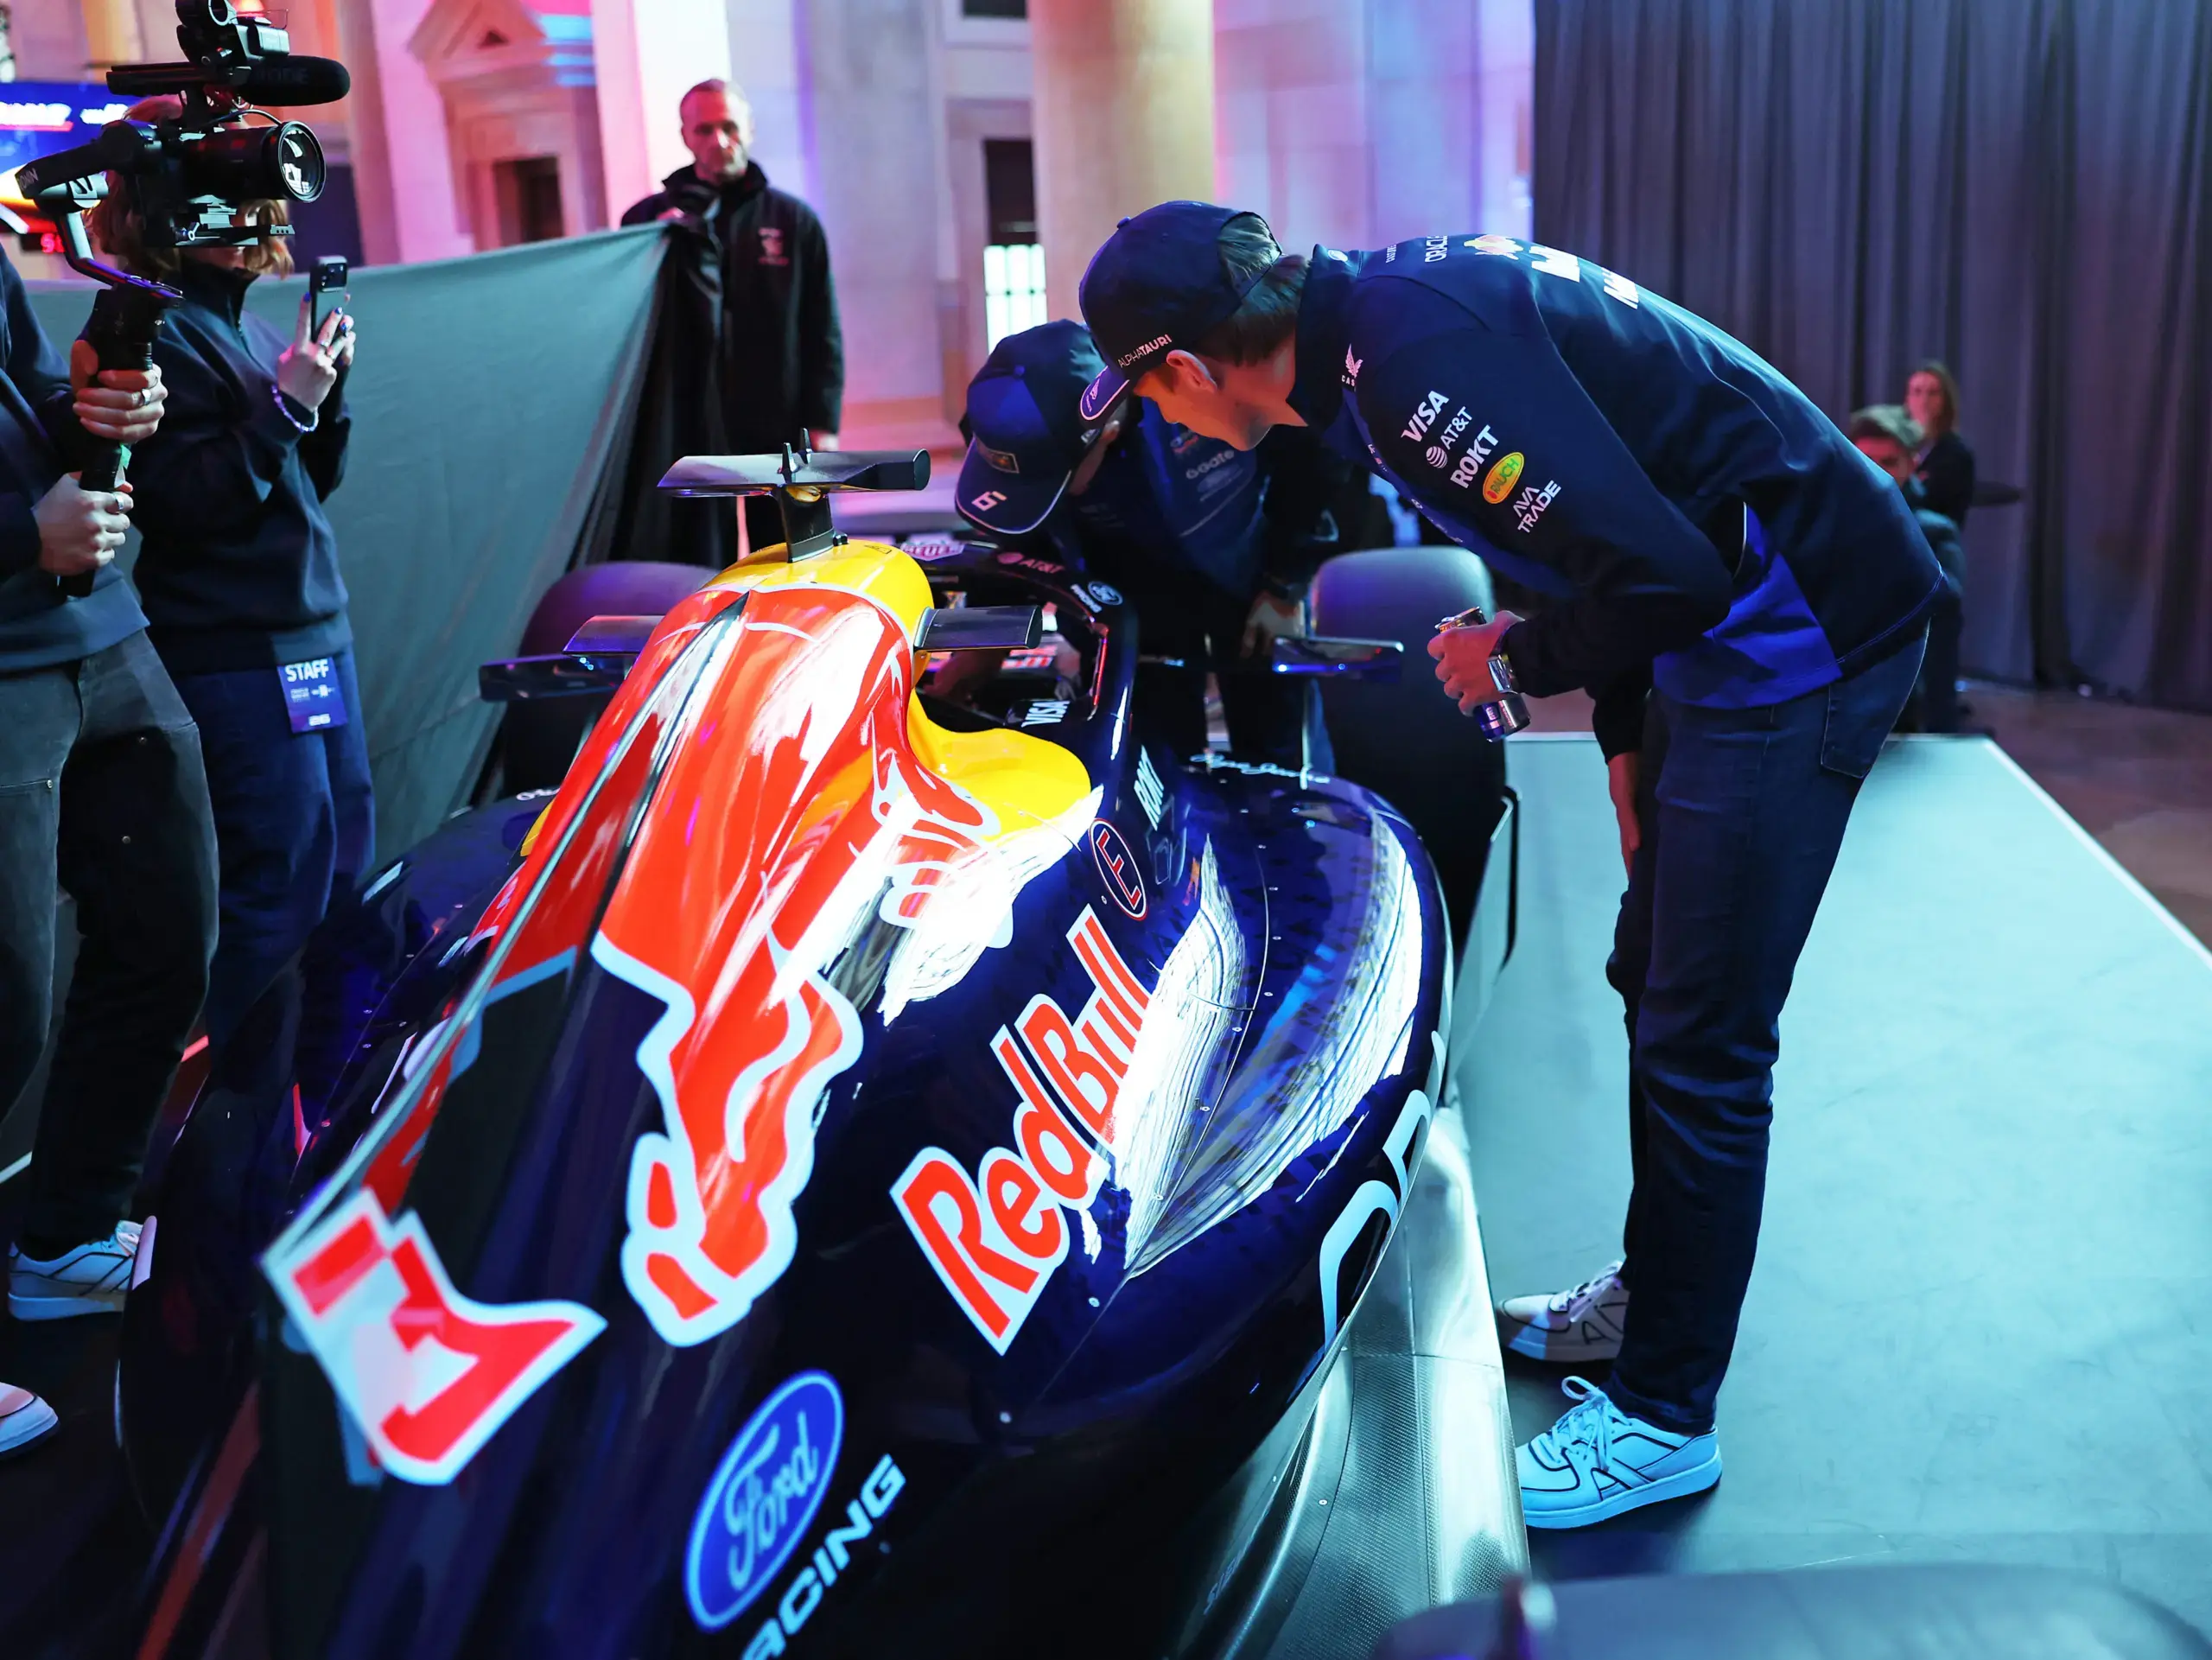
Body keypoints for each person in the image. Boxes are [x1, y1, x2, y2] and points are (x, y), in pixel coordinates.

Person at [1077, 203, 1942, 1529]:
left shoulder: (1410, 370)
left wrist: (1512, 660)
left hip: (1803, 633)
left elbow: (1670, 576)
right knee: (1654, 975)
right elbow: (1619, 520)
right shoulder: (1378, 338)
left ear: (1187, 368)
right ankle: (1660, 1294)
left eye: (1144, 396)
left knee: (1705, 1033)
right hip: (1720, 634)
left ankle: (1664, 1418)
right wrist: (1623, 737)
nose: (1160, 422)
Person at [86, 99, 365, 1054]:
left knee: (339, 881)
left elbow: (305, 485)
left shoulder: (239, 323)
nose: (253, 209)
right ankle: (240, 1133)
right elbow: (188, 507)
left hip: (314, 639)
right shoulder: (148, 334)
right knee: (275, 900)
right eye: (228, 184)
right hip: (238, 658)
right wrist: (286, 408)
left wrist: (320, 399)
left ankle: (322, 1112)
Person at [0, 233, 209, 1447]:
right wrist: (17, 535)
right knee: (4, 1006)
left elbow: (28, 391)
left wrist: (92, 408)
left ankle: (67, 1236)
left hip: (97, 632)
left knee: (167, 934)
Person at [954, 320, 1344, 767]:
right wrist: (984, 639)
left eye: (1051, 482)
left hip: (1247, 573)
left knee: (1277, 754)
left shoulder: (1195, 380)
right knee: (1142, 761)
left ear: (1107, 432)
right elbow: (1015, 532)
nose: (1042, 495)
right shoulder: (1001, 423)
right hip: (1124, 598)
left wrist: (1283, 584)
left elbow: (1313, 462)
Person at [621, 79, 843, 557]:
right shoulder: (647, 223)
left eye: (729, 127)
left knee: (784, 555)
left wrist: (823, 420)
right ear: (685, 136)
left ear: (749, 130)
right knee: (697, 555)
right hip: (688, 419)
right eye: (704, 130)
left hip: (777, 416)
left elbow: (821, 326)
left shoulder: (793, 221)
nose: (718, 140)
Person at [1851, 404, 1964, 732]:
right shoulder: (1829, 521)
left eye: (1888, 462)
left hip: (1909, 706)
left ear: (1912, 464)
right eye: (1866, 460)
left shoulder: (1935, 532)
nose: (1876, 472)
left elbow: (1946, 600)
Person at [1904, 360, 1974, 529]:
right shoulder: (1897, 447)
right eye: (1917, 392)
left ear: (1945, 401)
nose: (1924, 401)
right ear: (1907, 400)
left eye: (1933, 393)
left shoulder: (1957, 456)